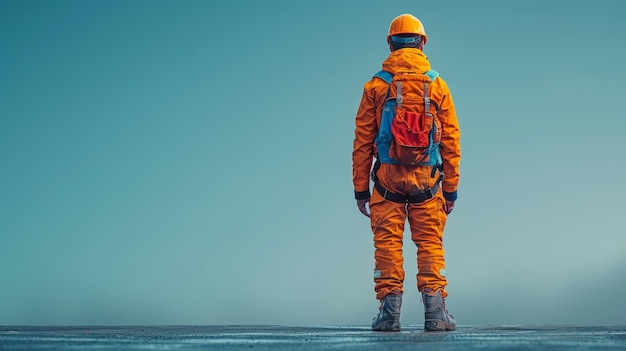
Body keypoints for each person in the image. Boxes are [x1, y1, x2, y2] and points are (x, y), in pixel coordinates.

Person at [351, 14, 461, 332]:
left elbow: (362, 141)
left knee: (387, 243)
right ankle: (436, 313)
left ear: (390, 44)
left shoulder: (376, 86)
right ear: (422, 42)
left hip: (386, 179)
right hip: (428, 178)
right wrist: (450, 190)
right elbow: (451, 141)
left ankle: (389, 314)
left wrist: (360, 189)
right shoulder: (437, 85)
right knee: (429, 242)